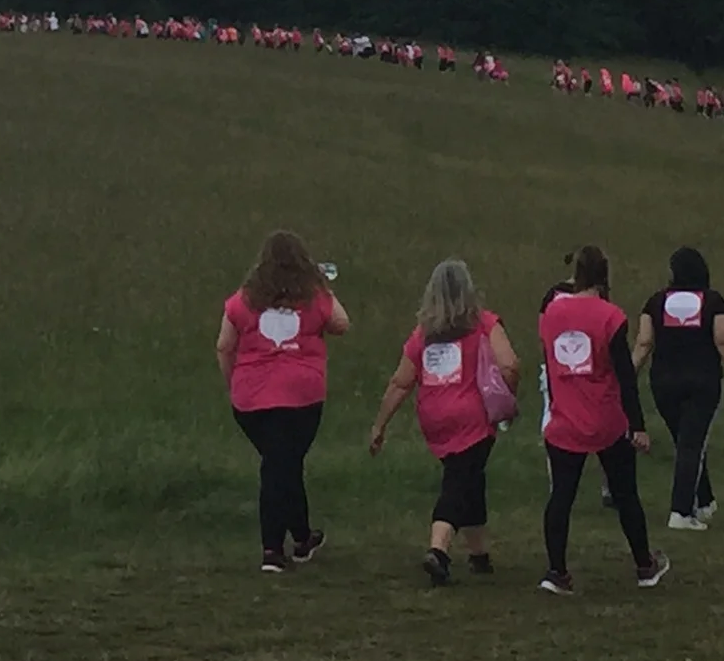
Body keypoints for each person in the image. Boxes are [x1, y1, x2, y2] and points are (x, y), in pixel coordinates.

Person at [368, 259, 520, 585]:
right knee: (458, 482)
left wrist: (380, 424)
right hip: (473, 418)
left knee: (470, 477)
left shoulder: (422, 335)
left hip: (435, 418)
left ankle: (479, 554)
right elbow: (509, 365)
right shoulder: (484, 323)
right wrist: (506, 396)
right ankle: (438, 550)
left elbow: (400, 383)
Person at [218, 231, 351, 573]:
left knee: (282, 465)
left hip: (251, 400)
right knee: (280, 467)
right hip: (300, 398)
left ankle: (303, 537)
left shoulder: (244, 299)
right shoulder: (313, 297)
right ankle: (272, 549)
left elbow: (224, 346)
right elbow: (341, 324)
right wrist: (323, 286)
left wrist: (234, 383)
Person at [538, 245, 667, 594]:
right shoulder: (610, 317)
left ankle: (556, 571)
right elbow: (625, 376)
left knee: (560, 496)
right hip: (606, 419)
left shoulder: (551, 313)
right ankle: (644, 565)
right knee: (625, 494)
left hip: (564, 419)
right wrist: (637, 425)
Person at [632, 247, 724, 529]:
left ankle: (705, 502)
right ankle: (681, 512)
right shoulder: (713, 301)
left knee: (686, 441)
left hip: (663, 383)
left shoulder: (656, 302)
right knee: (692, 444)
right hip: (702, 381)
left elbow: (644, 342)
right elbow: (723, 338)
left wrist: (628, 374)